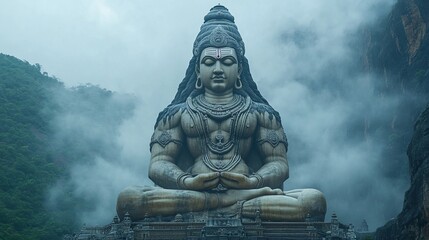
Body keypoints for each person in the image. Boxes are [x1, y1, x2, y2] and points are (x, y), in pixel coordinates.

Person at [116, 5, 326, 222]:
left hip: (247, 193)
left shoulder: (263, 114)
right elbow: (158, 164)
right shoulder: (175, 115)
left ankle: (214, 206)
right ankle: (223, 204)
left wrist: (252, 182)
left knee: (313, 202)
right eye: (209, 62)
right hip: (193, 192)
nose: (218, 69)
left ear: (239, 70)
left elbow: (279, 165)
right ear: (198, 69)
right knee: (129, 200)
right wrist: (186, 182)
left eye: (226, 62)